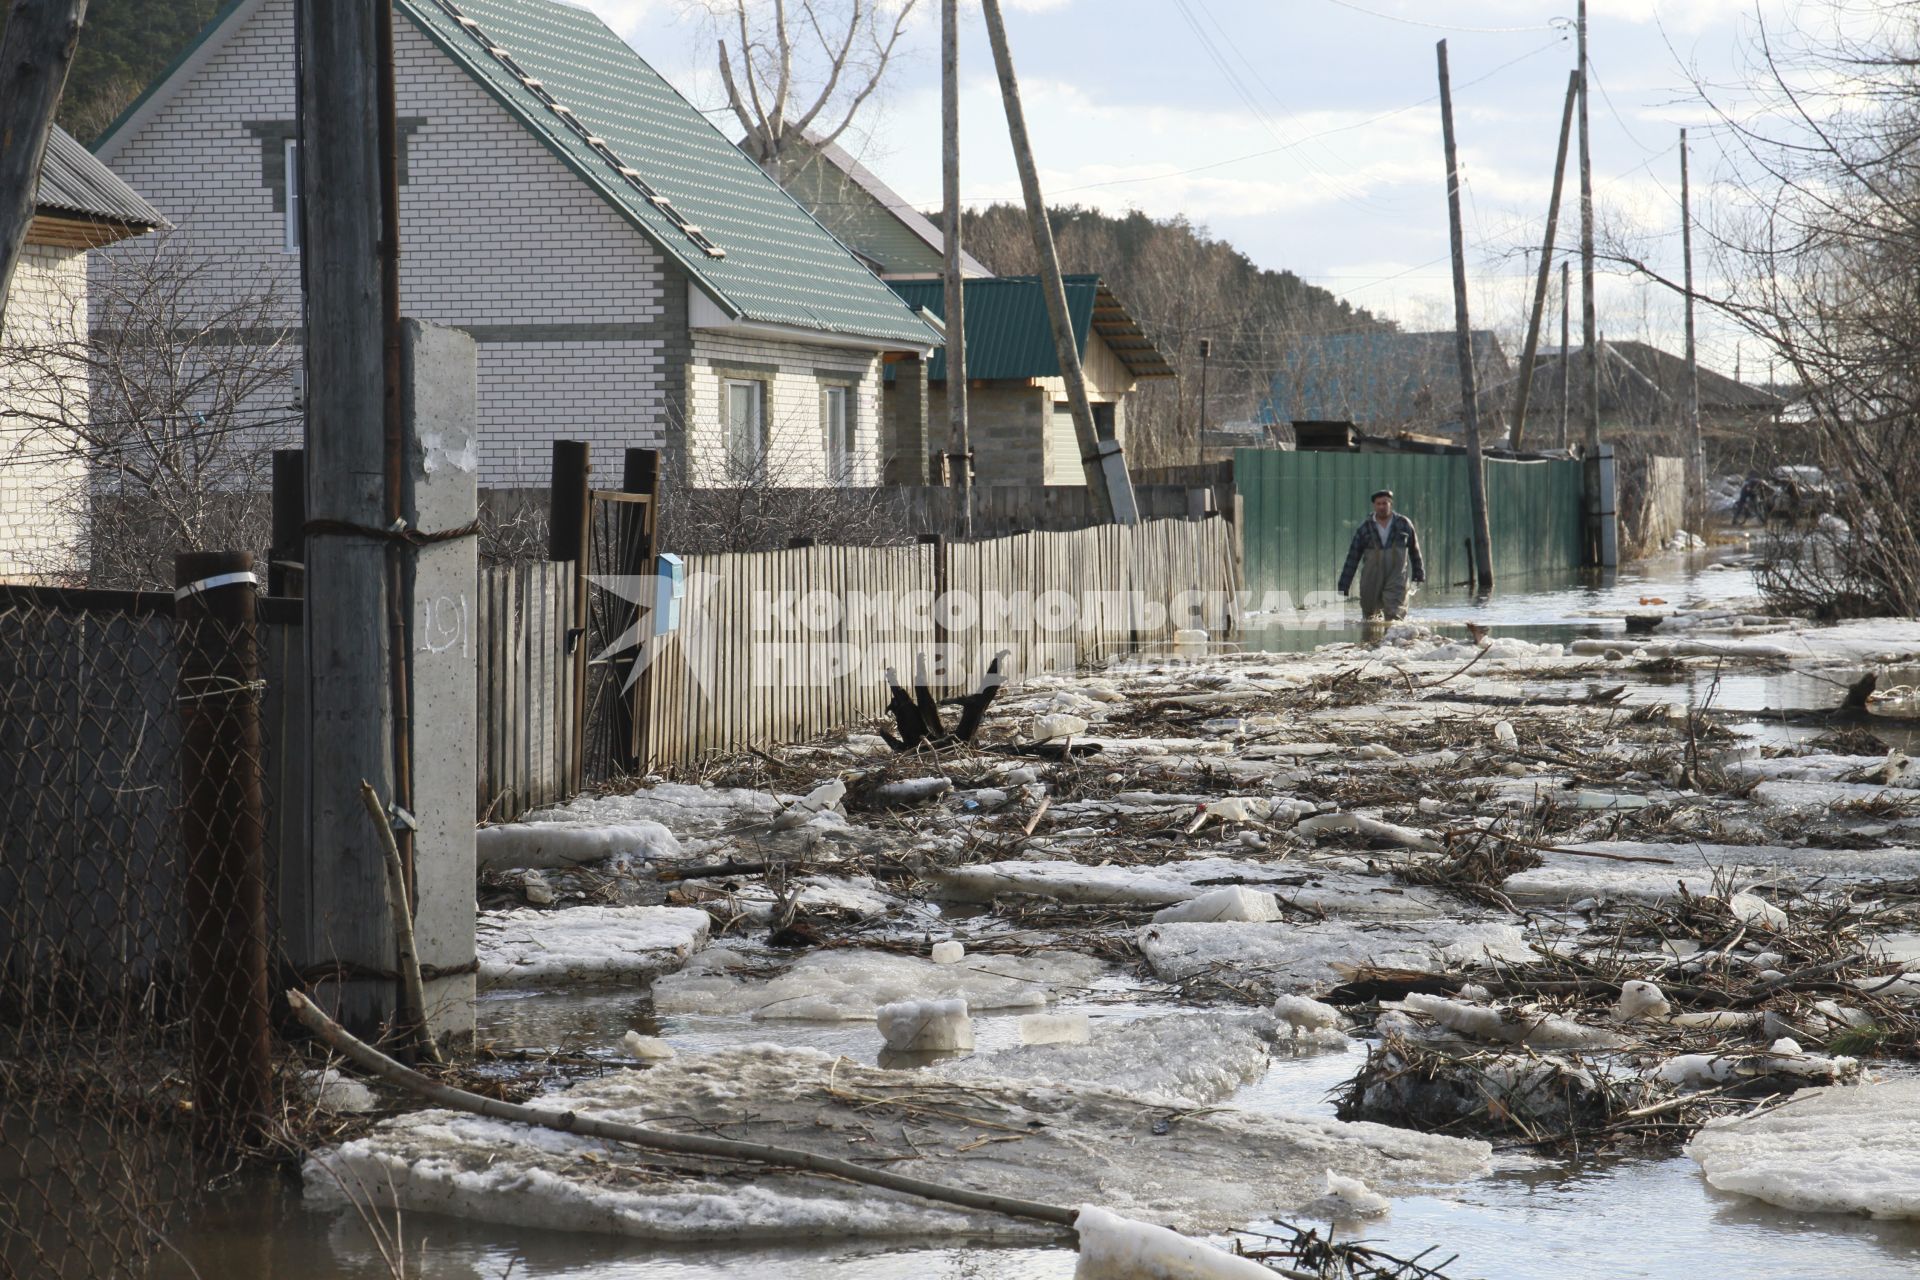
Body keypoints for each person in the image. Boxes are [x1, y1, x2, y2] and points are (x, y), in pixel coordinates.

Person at [1337, 489, 1425, 621]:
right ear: (1374, 506)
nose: (1382, 507)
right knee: (1370, 615)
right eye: (1378, 504)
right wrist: (1344, 585)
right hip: (1371, 576)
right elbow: (1353, 557)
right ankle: (1373, 641)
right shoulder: (1365, 527)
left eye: (1385, 503)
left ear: (1391, 504)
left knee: (1395, 612)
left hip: (1396, 575)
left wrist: (1418, 575)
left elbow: (1414, 550)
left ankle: (1394, 640)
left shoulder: (1404, 524)